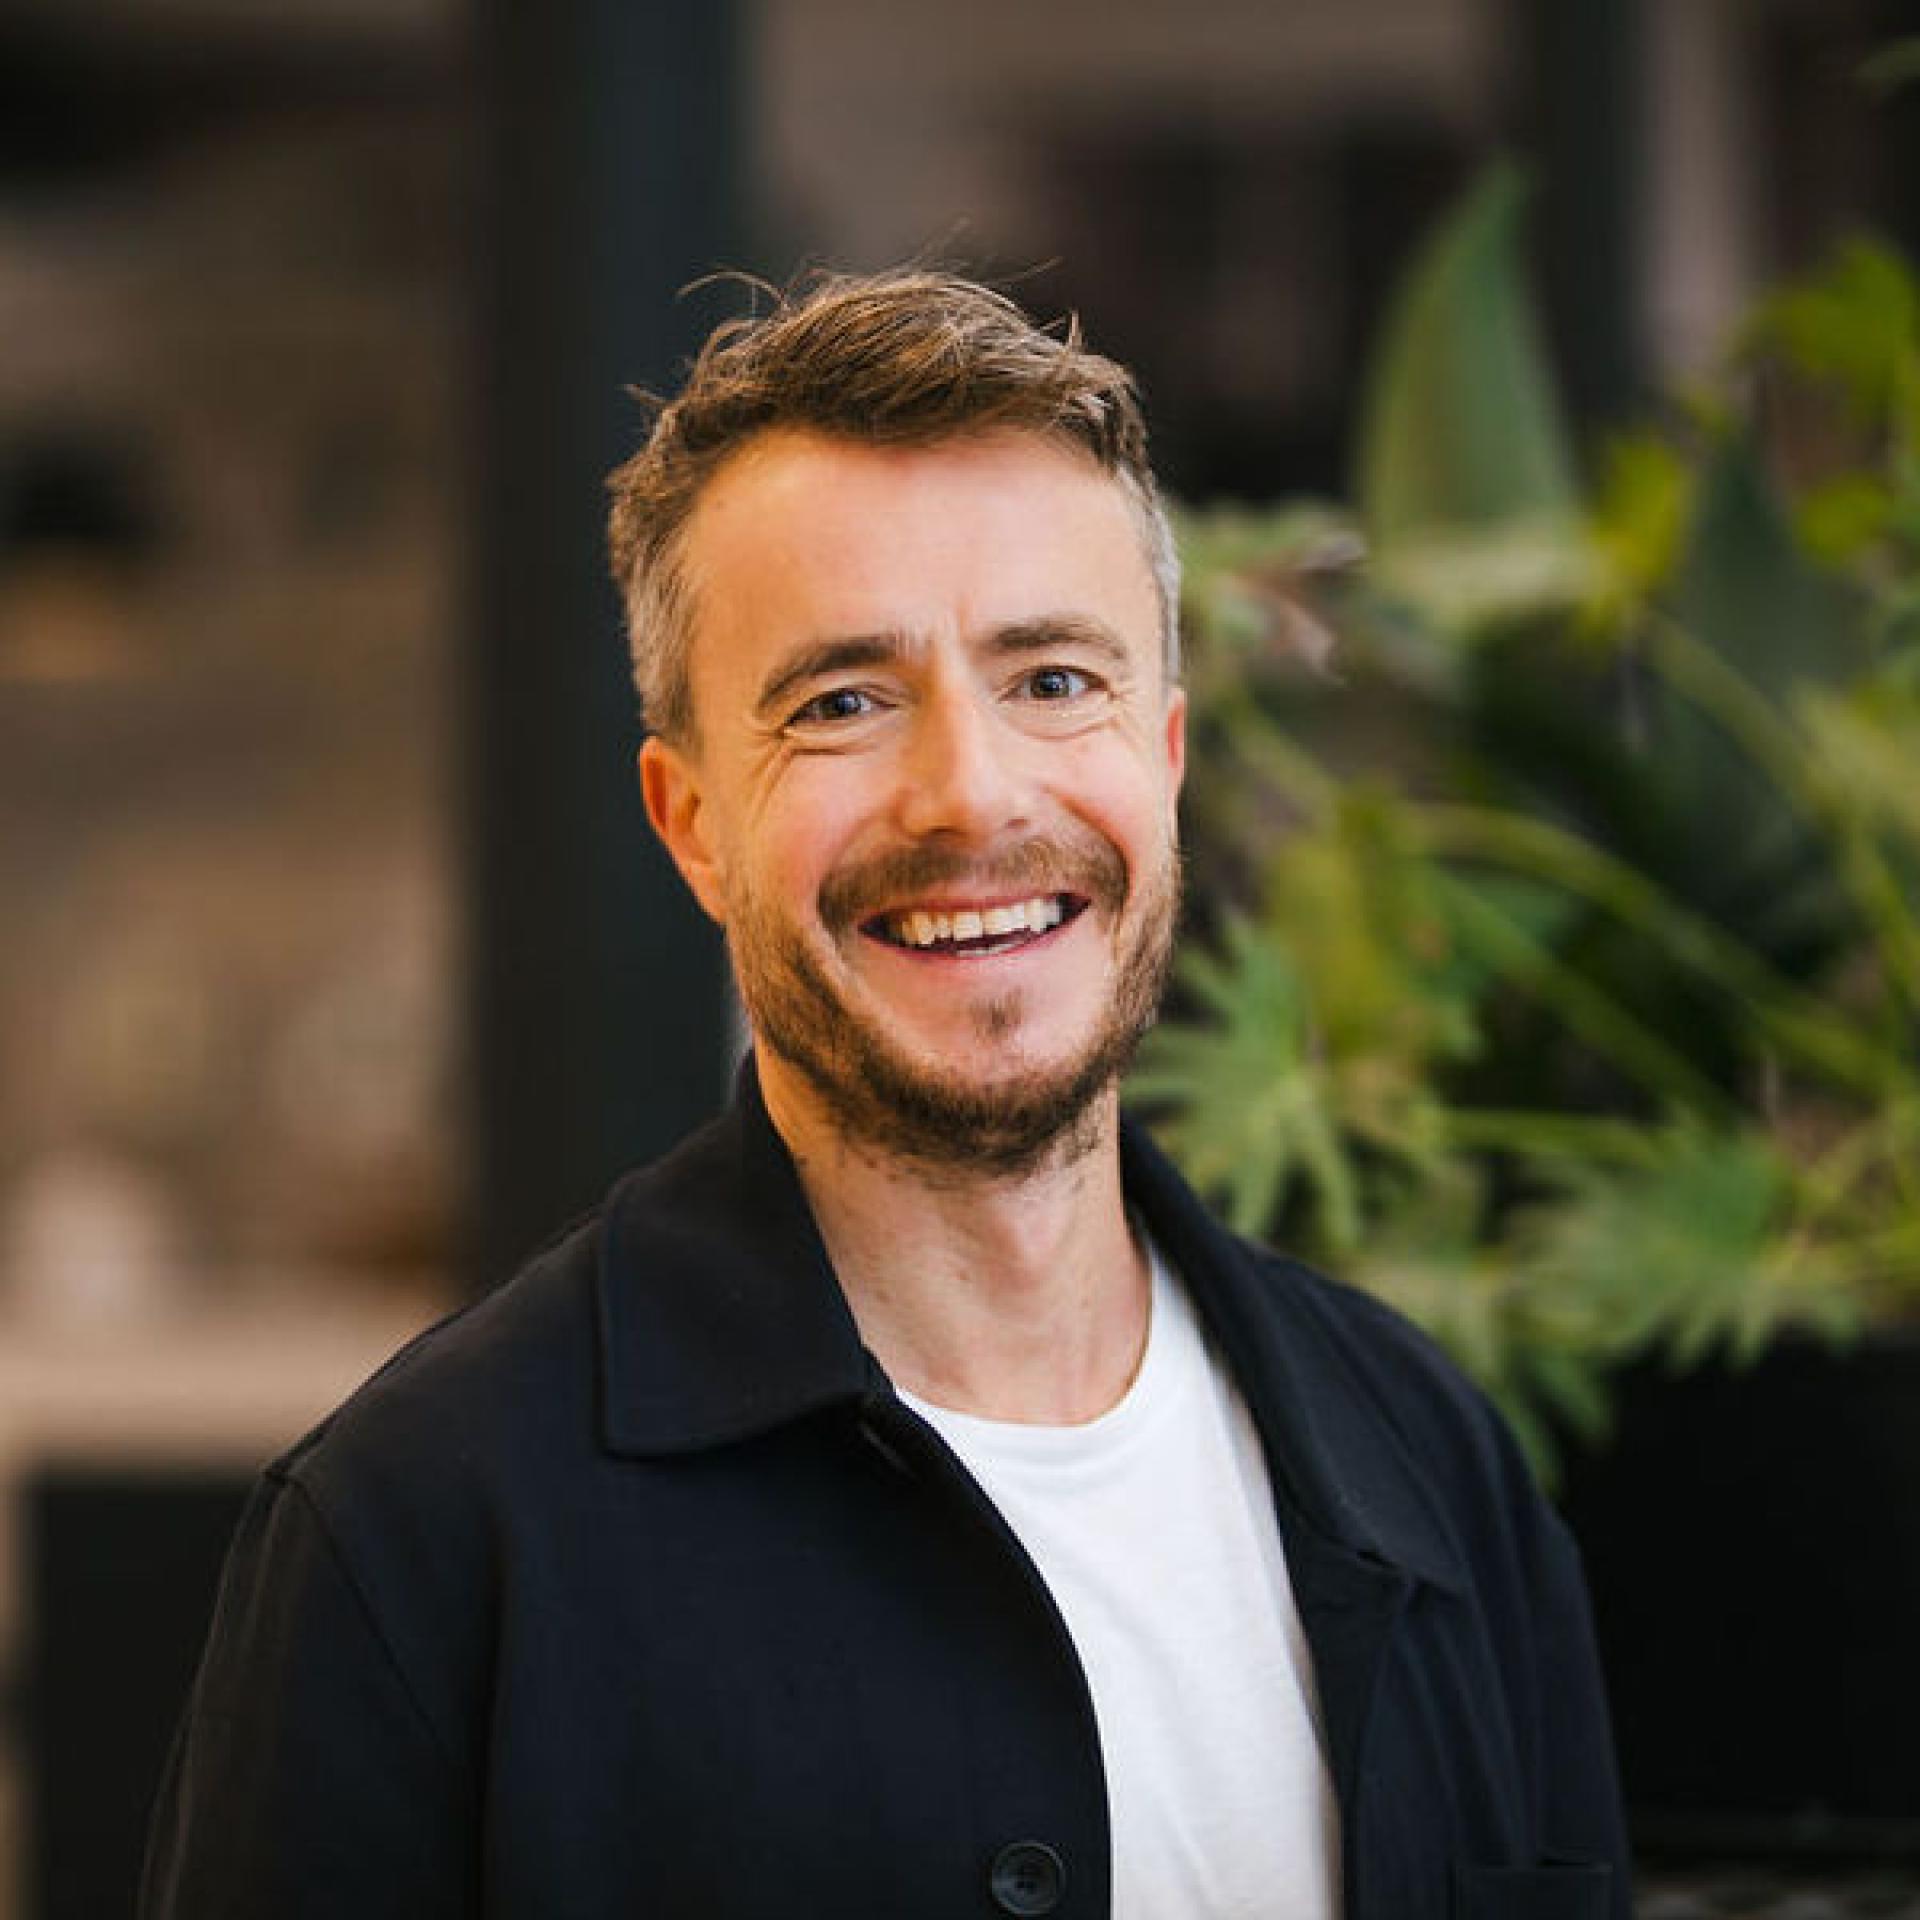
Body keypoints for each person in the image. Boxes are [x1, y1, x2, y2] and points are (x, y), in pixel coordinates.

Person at [142, 269, 1630, 1920]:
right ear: (692, 824)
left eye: (1052, 680)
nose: (971, 796)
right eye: (841, 703)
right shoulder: (421, 1535)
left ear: (1167, 758)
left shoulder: (1436, 1469)